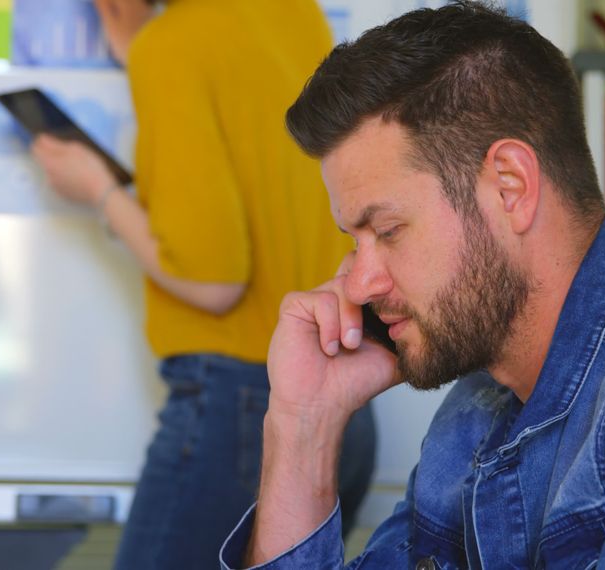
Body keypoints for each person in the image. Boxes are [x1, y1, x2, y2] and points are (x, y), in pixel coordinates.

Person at [219, 2, 605, 569]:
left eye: (388, 230)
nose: (360, 284)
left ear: (510, 187)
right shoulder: (475, 410)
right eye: (354, 242)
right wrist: (303, 424)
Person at [28, 0, 377, 568]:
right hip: (342, 394)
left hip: (238, 412)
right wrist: (143, 52)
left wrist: (99, 190)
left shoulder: (171, 48)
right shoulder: (296, 14)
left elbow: (213, 280)